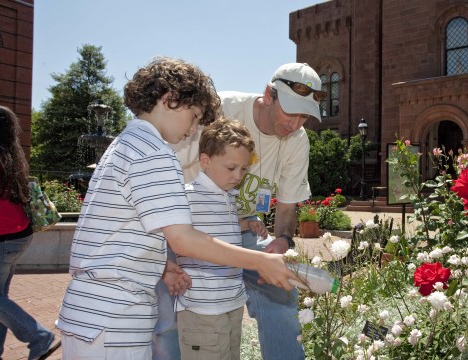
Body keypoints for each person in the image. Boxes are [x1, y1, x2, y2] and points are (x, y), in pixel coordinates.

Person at [56, 57, 296, 359]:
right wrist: (258, 261)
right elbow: (183, 239)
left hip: (96, 311)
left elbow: (126, 231)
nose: (195, 129)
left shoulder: (128, 143)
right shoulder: (155, 152)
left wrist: (164, 266)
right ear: (170, 100)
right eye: (195, 116)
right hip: (116, 316)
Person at [171, 62, 325, 360]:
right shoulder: (221, 108)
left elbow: (288, 206)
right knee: (171, 301)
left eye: (304, 116)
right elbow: (168, 169)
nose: (295, 124)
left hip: (243, 226)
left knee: (282, 287)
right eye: (291, 112)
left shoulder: (297, 140)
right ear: (269, 95)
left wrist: (281, 242)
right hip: (188, 222)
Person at [175, 118, 267, 359]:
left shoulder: (227, 195)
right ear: (205, 161)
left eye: (244, 169)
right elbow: (169, 238)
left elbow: (220, 227)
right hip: (201, 307)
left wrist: (247, 224)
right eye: (231, 168)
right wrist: (168, 269)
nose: (238, 176)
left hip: (231, 302)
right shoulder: (187, 197)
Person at [0, 104, 62, 360]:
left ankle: (40, 337)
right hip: (18, 235)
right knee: (0, 299)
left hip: (1, 239)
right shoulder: (13, 157)